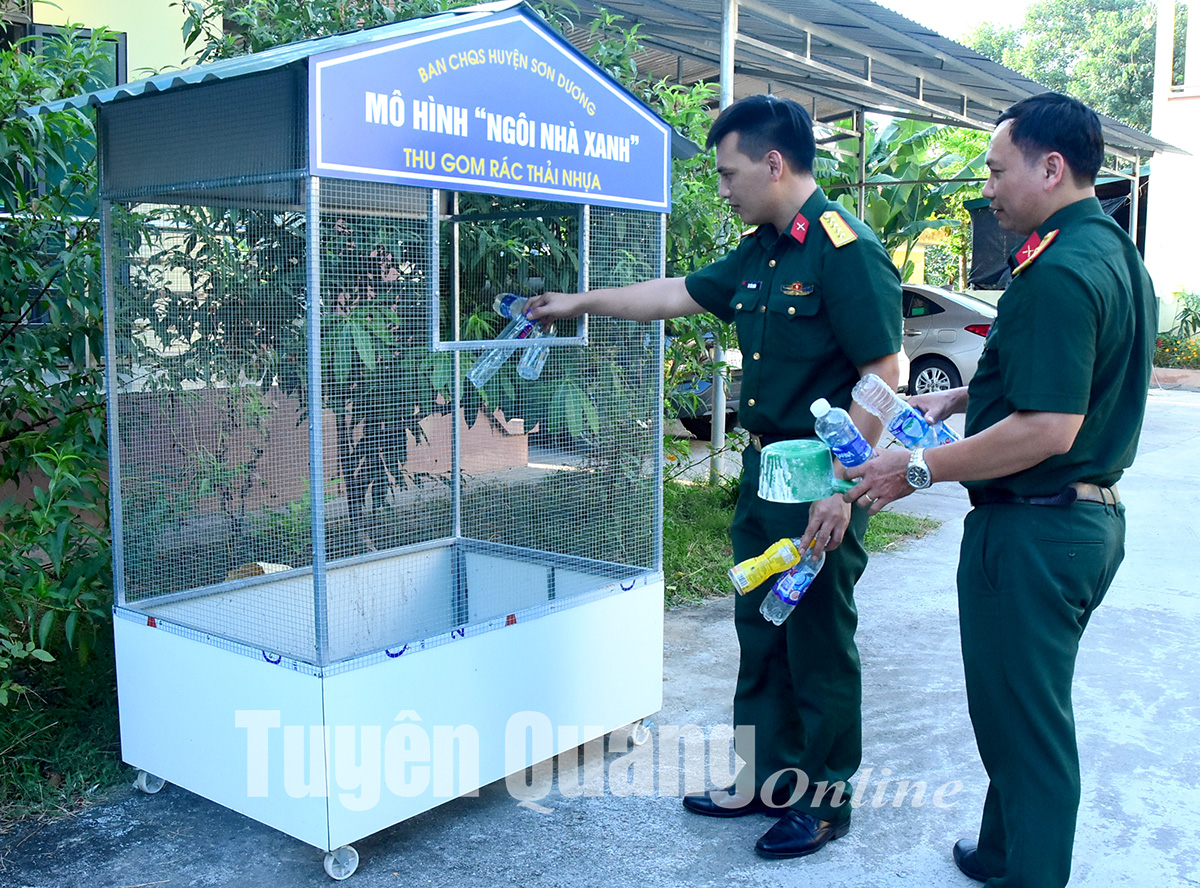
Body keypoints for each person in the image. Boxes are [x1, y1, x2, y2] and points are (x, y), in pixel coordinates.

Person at [525, 94, 903, 859]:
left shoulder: (844, 249)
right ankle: (763, 779)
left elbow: (884, 373)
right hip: (764, 474)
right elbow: (675, 294)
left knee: (817, 641)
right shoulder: (761, 251)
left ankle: (824, 801)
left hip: (822, 477)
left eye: (730, 173)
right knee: (760, 628)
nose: (723, 188)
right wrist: (579, 303)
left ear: (774, 162)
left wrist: (843, 485)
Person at [844, 92, 1157, 887]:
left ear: (1051, 168)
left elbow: (1048, 428)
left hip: (1035, 532)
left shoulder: (1060, 272)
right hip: (1072, 526)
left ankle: (1032, 872)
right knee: (1018, 709)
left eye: (995, 169)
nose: (987, 189)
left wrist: (916, 468)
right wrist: (957, 398)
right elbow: (1067, 381)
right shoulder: (1109, 251)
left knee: (1029, 730)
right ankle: (1002, 851)